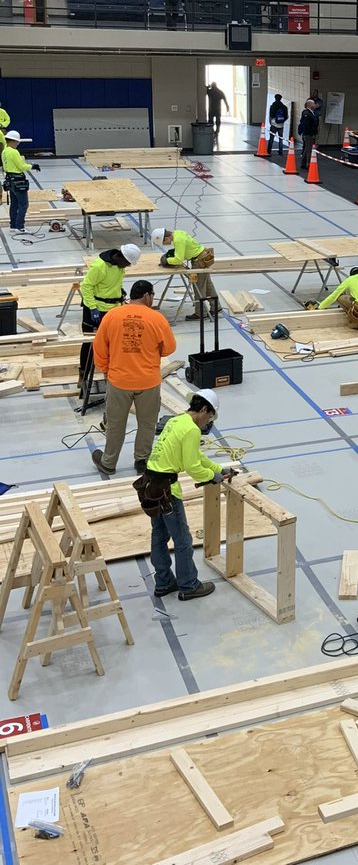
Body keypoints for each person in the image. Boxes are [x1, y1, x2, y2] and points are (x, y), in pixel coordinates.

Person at [137, 389, 224, 601]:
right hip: (167, 491)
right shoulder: (192, 430)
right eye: (209, 417)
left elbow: (197, 456)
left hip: (150, 486)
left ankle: (164, 582)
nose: (207, 423)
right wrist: (212, 476)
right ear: (204, 409)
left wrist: (218, 470)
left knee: (159, 536)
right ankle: (188, 585)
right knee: (183, 540)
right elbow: (193, 467)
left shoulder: (176, 421)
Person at [91, 280, 177, 476]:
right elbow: (169, 348)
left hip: (119, 381)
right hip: (148, 382)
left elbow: (99, 348)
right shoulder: (156, 318)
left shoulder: (112, 315)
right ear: (147, 296)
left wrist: (106, 371)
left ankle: (109, 462)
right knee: (147, 424)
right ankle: (142, 461)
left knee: (115, 424)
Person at [79, 242, 143, 382]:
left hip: (112, 310)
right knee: (89, 343)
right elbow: (86, 287)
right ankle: (83, 375)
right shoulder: (99, 267)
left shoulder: (119, 267)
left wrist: (120, 298)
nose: (128, 266)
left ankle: (111, 373)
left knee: (113, 342)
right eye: (128, 263)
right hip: (95, 310)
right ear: (121, 257)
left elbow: (115, 284)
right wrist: (92, 307)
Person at [151, 227, 217, 321]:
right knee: (207, 285)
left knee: (199, 287)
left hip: (199, 261)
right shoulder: (178, 233)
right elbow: (183, 252)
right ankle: (216, 307)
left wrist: (167, 260)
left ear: (166, 238)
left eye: (164, 243)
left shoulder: (178, 240)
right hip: (202, 256)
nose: (165, 245)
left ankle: (200, 313)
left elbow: (178, 260)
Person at [2, 129, 39, 234]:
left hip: (9, 180)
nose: (18, 144)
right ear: (13, 141)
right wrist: (33, 166)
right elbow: (21, 166)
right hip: (18, 180)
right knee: (23, 204)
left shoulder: (5, 151)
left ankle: (13, 226)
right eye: (17, 142)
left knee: (14, 204)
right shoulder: (14, 152)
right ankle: (20, 226)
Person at [297, 98, 319, 169]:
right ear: (309, 105)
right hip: (308, 134)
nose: (314, 105)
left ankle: (303, 163)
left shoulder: (312, 112)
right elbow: (307, 125)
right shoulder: (307, 113)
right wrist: (311, 133)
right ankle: (308, 164)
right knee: (309, 149)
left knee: (307, 149)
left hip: (309, 133)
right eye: (313, 104)